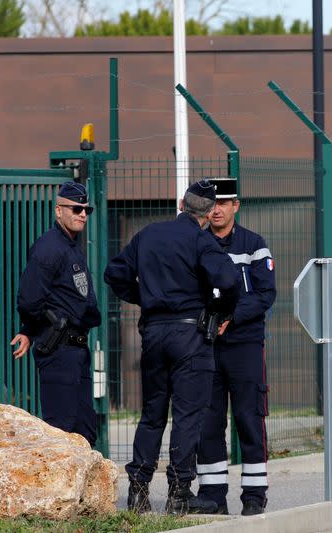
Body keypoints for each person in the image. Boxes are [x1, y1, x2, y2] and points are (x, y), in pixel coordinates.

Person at [104, 179, 240, 515]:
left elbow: (114, 274)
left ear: (182, 203)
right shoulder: (201, 240)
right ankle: (179, 494)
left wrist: (144, 298)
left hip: (153, 333)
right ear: (208, 213)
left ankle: (138, 491)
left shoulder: (148, 234)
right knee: (187, 416)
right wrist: (219, 309)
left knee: (152, 415)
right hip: (190, 335)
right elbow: (229, 281)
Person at [196, 177, 276, 516]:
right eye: (213, 204)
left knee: (249, 417)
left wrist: (231, 316)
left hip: (244, 344)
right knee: (208, 420)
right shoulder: (196, 243)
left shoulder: (254, 245)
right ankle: (212, 495)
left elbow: (265, 294)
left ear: (235, 206)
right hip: (207, 343)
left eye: (224, 203)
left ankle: (255, 495)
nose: (217, 210)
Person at [10, 180, 101, 447]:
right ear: (58, 210)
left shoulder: (71, 245)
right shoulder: (50, 247)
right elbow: (29, 299)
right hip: (59, 348)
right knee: (61, 429)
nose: (82, 214)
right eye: (76, 209)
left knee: (84, 429)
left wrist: (29, 329)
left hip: (76, 349)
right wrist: (31, 328)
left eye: (86, 209)